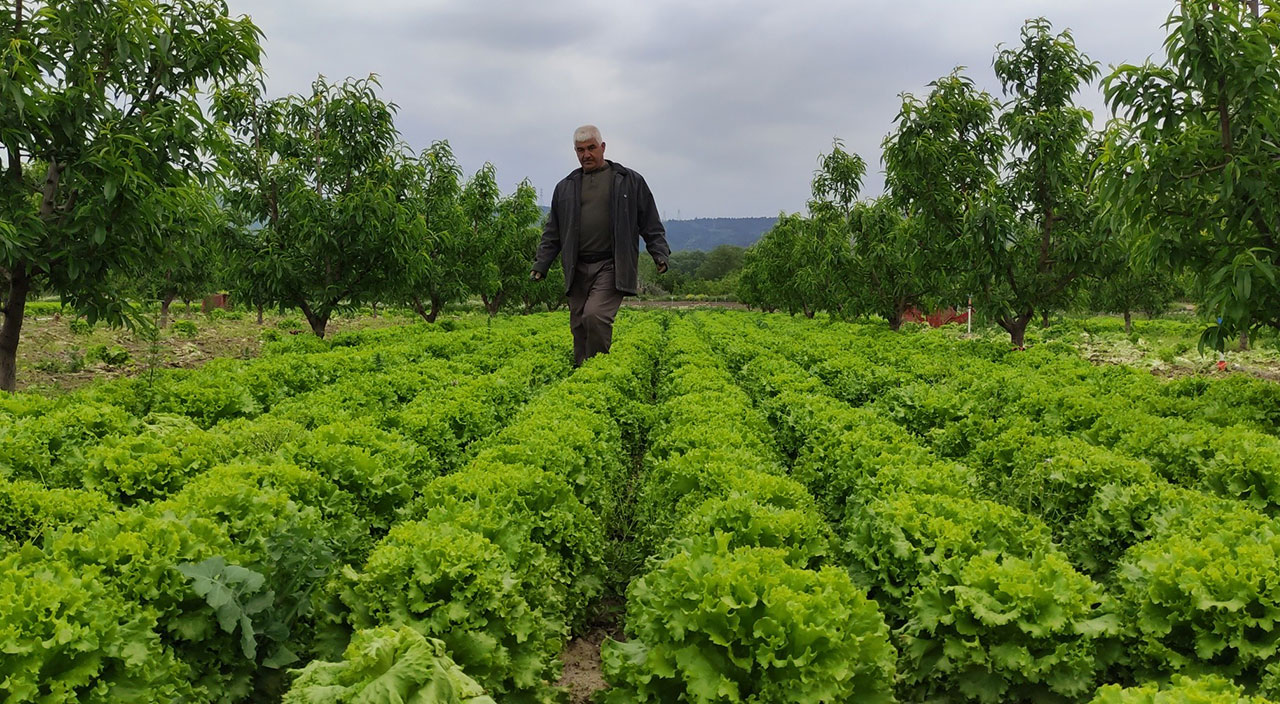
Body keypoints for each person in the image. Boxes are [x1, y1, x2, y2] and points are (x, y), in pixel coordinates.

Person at [531, 125, 670, 366]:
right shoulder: (565, 187)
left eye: (591, 148)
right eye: (580, 150)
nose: (586, 154)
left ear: (602, 147)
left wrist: (659, 252)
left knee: (595, 316)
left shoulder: (629, 181)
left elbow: (650, 221)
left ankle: (597, 370)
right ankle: (581, 373)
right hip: (576, 266)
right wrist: (541, 264)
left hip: (611, 264)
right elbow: (552, 231)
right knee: (578, 324)